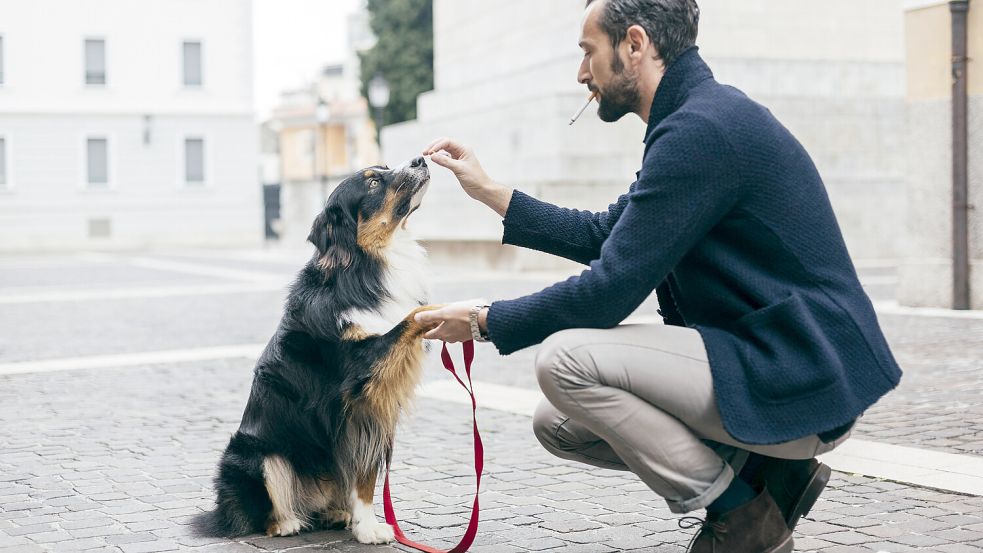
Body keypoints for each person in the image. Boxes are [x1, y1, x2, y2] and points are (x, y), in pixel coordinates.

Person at [413, 1, 901, 551]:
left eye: (587, 52)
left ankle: (742, 516)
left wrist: (484, 320)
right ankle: (769, 475)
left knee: (565, 362)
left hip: (802, 375)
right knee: (560, 422)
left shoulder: (702, 131)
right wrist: (490, 192)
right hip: (775, 361)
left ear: (635, 45)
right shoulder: (697, 118)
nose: (581, 74)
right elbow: (606, 235)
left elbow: (607, 292)